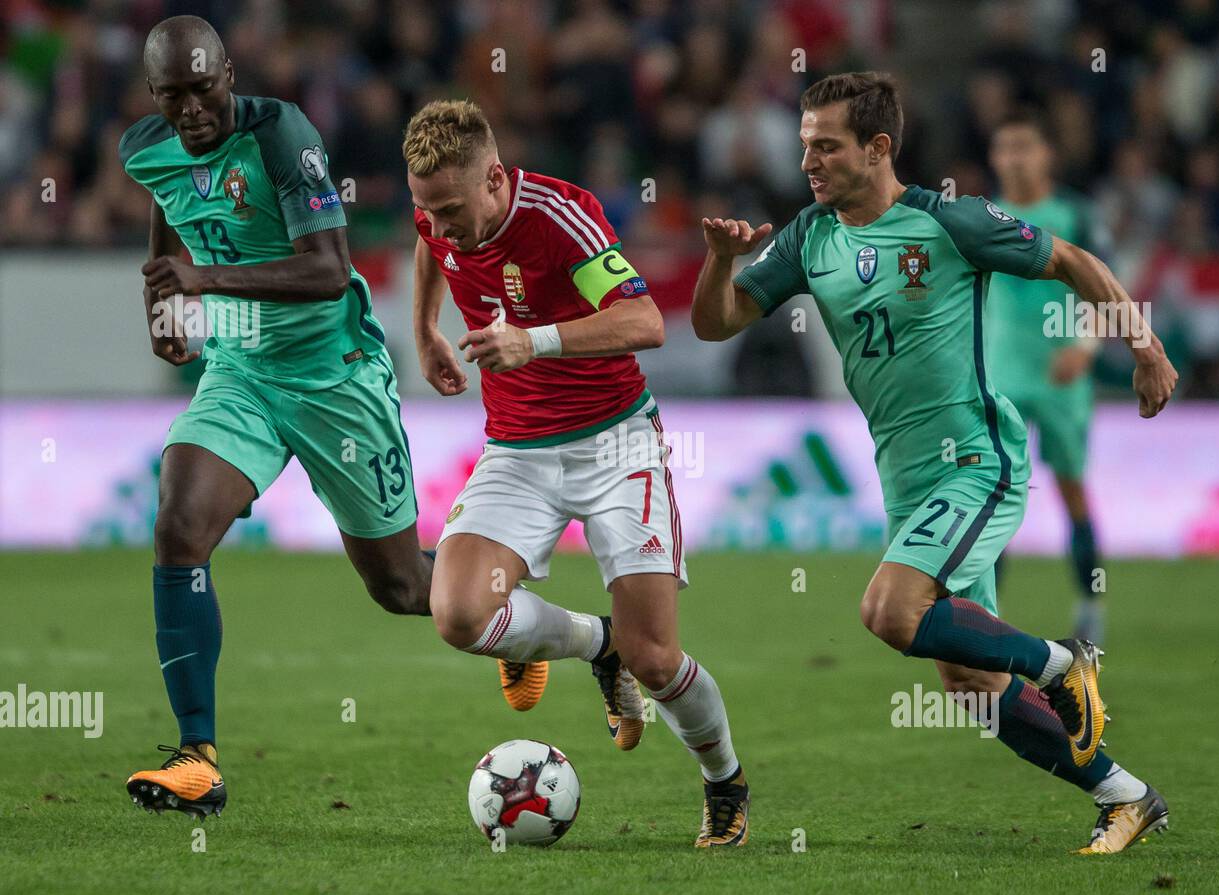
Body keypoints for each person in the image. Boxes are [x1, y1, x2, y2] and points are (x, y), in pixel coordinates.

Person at [690, 72, 1178, 854]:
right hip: (906, 479)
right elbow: (716, 325)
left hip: (977, 460)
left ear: (879, 148)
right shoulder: (810, 237)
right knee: (974, 688)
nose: (808, 161)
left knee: (890, 612)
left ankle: (1062, 664)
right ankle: (1126, 797)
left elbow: (1074, 262)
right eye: (804, 144)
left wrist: (1143, 346)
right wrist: (719, 261)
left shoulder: (950, 223)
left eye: (827, 146)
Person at [405, 100, 749, 846]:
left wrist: (534, 341)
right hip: (516, 451)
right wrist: (426, 327)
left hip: (616, 446)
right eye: (425, 208)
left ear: (495, 178)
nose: (440, 225)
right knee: (460, 615)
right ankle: (599, 644)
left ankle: (724, 781)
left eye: (453, 210)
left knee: (657, 659)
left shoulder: (564, 216)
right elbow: (431, 246)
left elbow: (646, 321)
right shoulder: (440, 212)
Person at [118, 16, 438, 818]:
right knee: (178, 525)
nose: (191, 109)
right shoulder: (144, 147)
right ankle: (198, 757)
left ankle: (547, 624)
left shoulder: (279, 134)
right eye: (173, 95)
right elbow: (167, 218)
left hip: (333, 376)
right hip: (241, 370)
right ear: (154, 95)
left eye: (204, 88)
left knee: (402, 589)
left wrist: (204, 283)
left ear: (230, 73)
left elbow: (330, 271)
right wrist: (167, 308)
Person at [986, 111, 1107, 643]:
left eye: (1025, 146)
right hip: (1000, 372)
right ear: (995, 158)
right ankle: (985, 613)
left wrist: (1085, 346)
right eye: (1006, 148)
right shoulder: (981, 216)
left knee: (1071, 488)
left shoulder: (1074, 214)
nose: (1016, 157)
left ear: (1046, 156)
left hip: (1061, 374)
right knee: (991, 492)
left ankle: (1089, 606)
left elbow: (1105, 282)